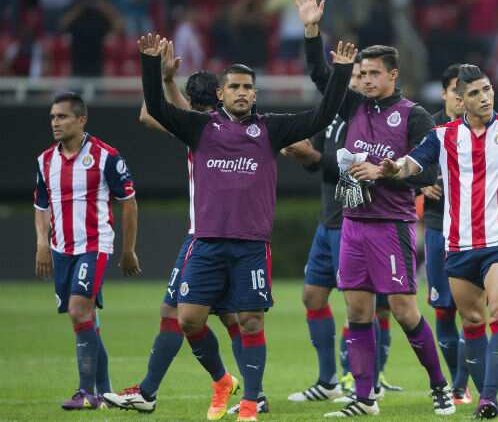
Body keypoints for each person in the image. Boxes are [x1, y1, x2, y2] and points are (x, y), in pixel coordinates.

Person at [139, 26, 354, 422]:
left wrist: (340, 72)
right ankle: (223, 380)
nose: (241, 92)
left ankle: (252, 402)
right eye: (234, 86)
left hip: (250, 245)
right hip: (205, 244)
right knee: (188, 320)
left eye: (247, 87)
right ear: (220, 94)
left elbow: (322, 114)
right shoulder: (199, 128)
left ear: (255, 93)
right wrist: (152, 66)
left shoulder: (270, 129)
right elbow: (155, 106)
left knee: (251, 320)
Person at [295, 0, 452, 418]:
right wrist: (312, 30)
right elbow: (320, 76)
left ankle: (441, 386)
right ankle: (365, 397)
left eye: (372, 74)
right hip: (352, 221)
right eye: (360, 74)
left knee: (403, 310)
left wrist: (388, 169)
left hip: (391, 223)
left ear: (392, 76)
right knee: (358, 310)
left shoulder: (413, 114)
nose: (364, 80)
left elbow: (428, 165)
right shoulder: (351, 107)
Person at [380, 64, 498, 419]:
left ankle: (489, 398)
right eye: (476, 93)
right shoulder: (442, 136)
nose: (485, 97)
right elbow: (412, 164)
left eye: (487, 90)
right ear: (460, 100)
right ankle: (484, 395)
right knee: (472, 322)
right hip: (460, 244)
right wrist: (392, 168)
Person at [105, 38, 265, 413]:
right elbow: (155, 113)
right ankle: (247, 391)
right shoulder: (208, 123)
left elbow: (149, 114)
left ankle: (159, 391)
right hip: (216, 233)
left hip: (208, 235)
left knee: (196, 315)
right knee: (228, 316)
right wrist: (168, 82)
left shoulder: (204, 127)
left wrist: (166, 82)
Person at [34, 91, 140, 410]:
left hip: (95, 245)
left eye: (62, 116)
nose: (55, 122)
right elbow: (41, 205)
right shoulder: (45, 161)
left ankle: (86, 393)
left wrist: (128, 250)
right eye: (53, 116)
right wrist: (42, 242)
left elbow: (129, 203)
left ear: (81, 120)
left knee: (80, 310)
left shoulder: (107, 156)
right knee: (84, 319)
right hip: (60, 249)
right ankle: (105, 391)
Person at [281, 60, 358, 404]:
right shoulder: (328, 118)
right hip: (327, 222)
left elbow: (353, 173)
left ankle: (357, 379)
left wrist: (311, 154)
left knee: (359, 306)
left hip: (353, 222)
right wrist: (300, 154)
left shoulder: (363, 120)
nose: (352, 84)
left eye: (357, 77)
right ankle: (328, 381)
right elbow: (317, 166)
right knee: (313, 297)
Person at [421, 64, 472, 405]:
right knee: (443, 310)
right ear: (444, 93)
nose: (459, 95)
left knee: (473, 310)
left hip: (474, 229)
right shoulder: (426, 124)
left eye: (465, 89)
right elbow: (406, 163)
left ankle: (462, 385)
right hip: (439, 226)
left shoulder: (482, 126)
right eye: (455, 88)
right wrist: (420, 183)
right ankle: (456, 383)